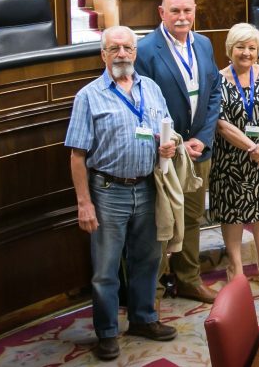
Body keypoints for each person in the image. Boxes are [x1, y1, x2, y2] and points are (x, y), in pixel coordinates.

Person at [66, 26, 179, 361]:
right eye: (114, 48)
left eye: (128, 48)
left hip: (147, 187)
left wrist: (167, 144)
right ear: (103, 54)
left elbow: (165, 128)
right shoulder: (89, 96)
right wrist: (84, 203)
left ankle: (143, 319)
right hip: (107, 191)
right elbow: (77, 155)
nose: (122, 54)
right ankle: (107, 332)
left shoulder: (152, 88)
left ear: (135, 52)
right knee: (106, 268)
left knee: (147, 260)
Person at [134, 0, 222, 304]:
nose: (182, 17)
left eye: (187, 10)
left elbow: (213, 93)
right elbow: (139, 103)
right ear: (161, 12)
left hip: (199, 149)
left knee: (193, 217)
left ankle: (187, 279)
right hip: (165, 153)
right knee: (160, 221)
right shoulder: (145, 50)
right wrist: (171, 141)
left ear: (195, 10)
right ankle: (153, 289)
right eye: (175, 11)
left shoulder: (204, 43)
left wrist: (204, 136)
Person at [210, 23, 259, 290]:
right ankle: (235, 265)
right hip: (231, 158)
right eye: (240, 47)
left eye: (252, 48)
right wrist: (252, 148)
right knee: (232, 211)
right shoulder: (217, 79)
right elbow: (220, 122)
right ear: (229, 50)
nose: (246, 53)